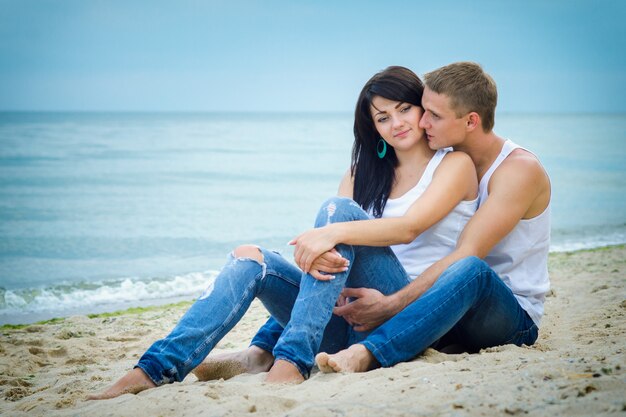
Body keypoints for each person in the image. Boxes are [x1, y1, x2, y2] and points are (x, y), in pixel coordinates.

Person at [87, 66, 477, 399]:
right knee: (250, 258)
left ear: (423, 109)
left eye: (405, 108)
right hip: (346, 319)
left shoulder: (453, 164)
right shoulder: (359, 175)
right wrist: (320, 247)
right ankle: (154, 370)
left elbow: (408, 229)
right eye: (383, 117)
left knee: (336, 214)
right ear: (373, 128)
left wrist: (324, 235)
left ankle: (289, 360)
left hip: (407, 314)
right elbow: (335, 252)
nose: (397, 123)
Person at [315, 61, 552, 373]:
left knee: (471, 269)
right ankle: (267, 349)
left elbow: (465, 255)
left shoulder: (518, 170)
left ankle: (368, 353)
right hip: (443, 307)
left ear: (470, 121)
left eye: (433, 115)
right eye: (423, 110)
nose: (422, 122)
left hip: (506, 314)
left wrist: (389, 305)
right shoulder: (449, 165)